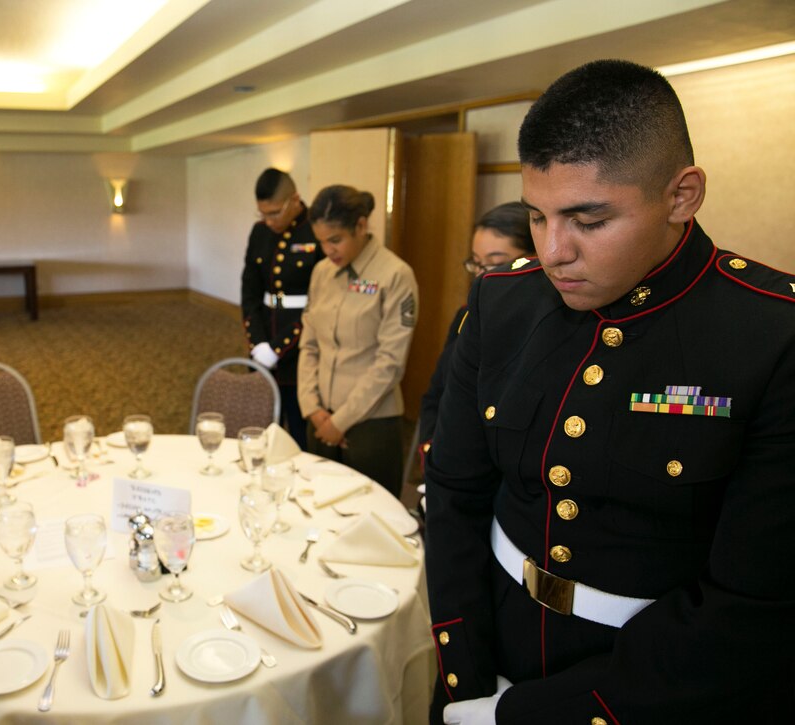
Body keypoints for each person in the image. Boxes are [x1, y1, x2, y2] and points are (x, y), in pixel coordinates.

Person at [425, 59, 795, 724]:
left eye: (587, 221)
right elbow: (455, 490)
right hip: (490, 635)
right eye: (536, 216)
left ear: (682, 195)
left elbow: (753, 603)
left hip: (651, 686)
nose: (551, 251)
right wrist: (467, 673)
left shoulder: (772, 335)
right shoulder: (501, 301)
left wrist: (533, 714)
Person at [298, 185, 418, 497]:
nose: (328, 250)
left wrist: (341, 421)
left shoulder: (395, 275)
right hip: (320, 417)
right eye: (321, 241)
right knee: (316, 510)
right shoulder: (322, 273)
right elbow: (309, 345)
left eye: (335, 240)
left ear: (361, 226)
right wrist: (311, 407)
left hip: (370, 425)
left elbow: (389, 364)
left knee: (371, 519)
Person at [418, 202, 535, 449]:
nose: (482, 276)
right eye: (476, 264)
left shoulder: (543, 327)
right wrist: (432, 448)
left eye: (495, 263)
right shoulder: (467, 315)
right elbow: (437, 392)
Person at [241, 168, 323, 449]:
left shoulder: (316, 229)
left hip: (301, 343)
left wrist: (278, 347)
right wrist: (259, 343)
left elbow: (319, 303)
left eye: (274, 213)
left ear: (295, 199)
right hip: (263, 337)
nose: (268, 220)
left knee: (299, 432)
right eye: (262, 214)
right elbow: (250, 291)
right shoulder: (259, 232)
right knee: (260, 427)